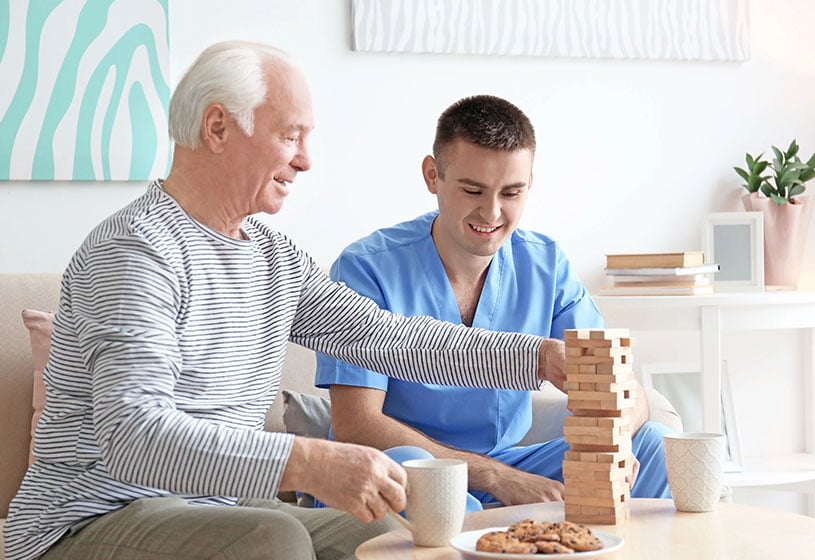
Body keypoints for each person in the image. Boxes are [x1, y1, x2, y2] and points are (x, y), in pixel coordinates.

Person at [3, 44, 572, 560]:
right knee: (271, 538)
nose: (305, 160)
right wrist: (307, 461)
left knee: (396, 533)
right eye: (290, 135)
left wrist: (539, 358)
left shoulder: (272, 256)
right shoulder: (137, 251)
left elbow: (390, 339)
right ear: (218, 128)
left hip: (219, 507)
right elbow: (135, 437)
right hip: (89, 518)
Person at [315, 95, 673, 509]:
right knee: (432, 483)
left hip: (508, 462)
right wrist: (498, 478)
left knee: (655, 445)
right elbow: (356, 425)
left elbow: (623, 385)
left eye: (511, 192)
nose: (492, 212)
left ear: (530, 183)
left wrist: (617, 435)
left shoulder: (545, 263)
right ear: (432, 175)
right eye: (473, 190)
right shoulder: (365, 268)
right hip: (399, 469)